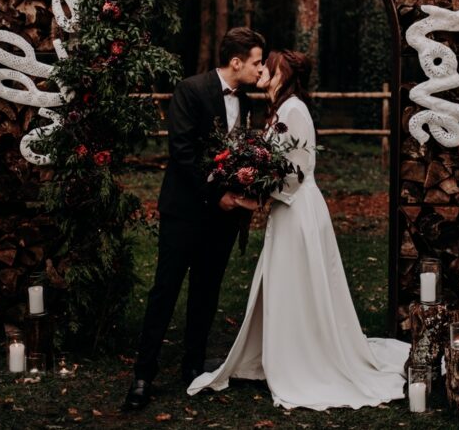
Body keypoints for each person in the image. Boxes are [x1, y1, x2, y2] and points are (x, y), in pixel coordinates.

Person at [186, 50, 410, 410]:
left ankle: (301, 358)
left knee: (295, 281)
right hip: (287, 209)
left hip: (298, 209)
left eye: (267, 67)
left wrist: (254, 197)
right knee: (281, 281)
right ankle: (279, 351)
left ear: (282, 73)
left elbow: (297, 172)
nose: (262, 71)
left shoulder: (294, 110)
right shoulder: (280, 109)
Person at [122, 28, 265, 412]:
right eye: (256, 62)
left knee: (206, 293)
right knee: (164, 291)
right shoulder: (191, 90)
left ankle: (192, 367)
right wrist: (215, 194)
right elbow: (181, 152)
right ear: (236, 62)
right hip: (185, 212)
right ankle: (142, 374)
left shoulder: (248, 101)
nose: (260, 68)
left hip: (222, 219)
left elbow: (243, 154)